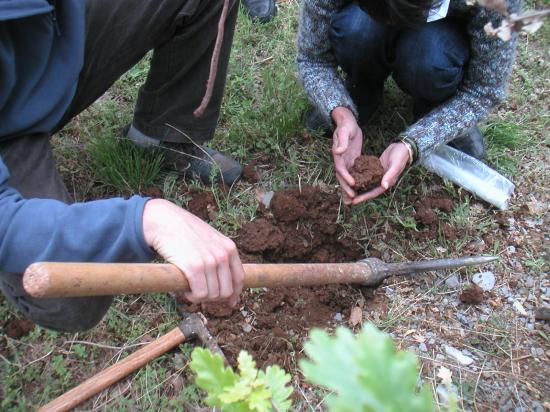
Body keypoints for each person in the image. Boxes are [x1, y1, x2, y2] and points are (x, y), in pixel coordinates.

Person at [0, 0, 246, 332]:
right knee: (78, 289)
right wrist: (142, 221)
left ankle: (161, 133)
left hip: (49, 42)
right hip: (9, 135)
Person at [297, 0, 520, 205]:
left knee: (430, 60)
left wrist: (415, 142)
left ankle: (436, 104)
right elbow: (312, 59)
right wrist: (339, 110)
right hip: (363, 18)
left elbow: (484, 90)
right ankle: (360, 91)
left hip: (445, 34)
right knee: (357, 31)